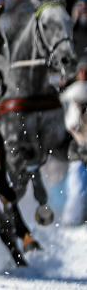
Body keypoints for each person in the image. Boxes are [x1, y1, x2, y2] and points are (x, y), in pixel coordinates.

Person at [60, 57, 87, 226]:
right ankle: (72, 218)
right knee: (76, 183)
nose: (83, 74)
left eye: (86, 71)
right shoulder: (72, 91)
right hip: (77, 142)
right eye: (81, 71)